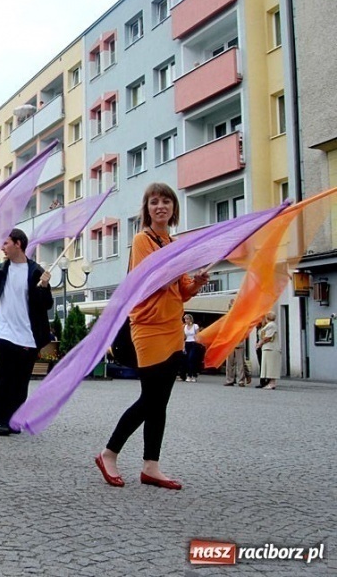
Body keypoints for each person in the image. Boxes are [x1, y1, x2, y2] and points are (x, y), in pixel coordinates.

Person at [95, 183, 208, 490]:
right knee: (150, 398)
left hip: (172, 328)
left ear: (174, 208)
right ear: (147, 209)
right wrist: (178, 270)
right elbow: (150, 280)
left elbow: (180, 290)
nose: (161, 206)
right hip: (148, 326)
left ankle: (151, 466)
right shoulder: (142, 239)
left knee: (161, 402)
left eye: (166, 201)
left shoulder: (173, 241)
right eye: (154, 202)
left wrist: (195, 282)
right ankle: (108, 453)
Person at [0, 228, 53, 436]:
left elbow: (46, 305)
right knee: (4, 375)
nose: (2, 247)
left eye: (6, 243)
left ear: (18, 244)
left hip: (27, 335)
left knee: (21, 379)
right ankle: (0, 419)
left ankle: (15, 418)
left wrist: (43, 286)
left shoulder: (36, 272)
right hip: (3, 331)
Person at [257, 311, 281, 390]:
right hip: (268, 348)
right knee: (268, 366)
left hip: (270, 348)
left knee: (271, 366)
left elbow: (268, 337)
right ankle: (270, 382)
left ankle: (272, 383)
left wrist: (260, 343)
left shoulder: (271, 325)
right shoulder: (269, 325)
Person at [182, 314, 201, 383]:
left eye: (187, 319)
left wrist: (197, 342)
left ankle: (192, 375)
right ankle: (189, 375)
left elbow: (197, 335)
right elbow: (184, 337)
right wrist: (183, 346)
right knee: (187, 360)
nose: (186, 320)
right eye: (185, 319)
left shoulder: (195, 326)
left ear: (190, 319)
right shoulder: (184, 327)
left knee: (191, 358)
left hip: (194, 343)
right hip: (187, 343)